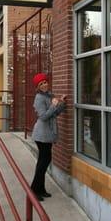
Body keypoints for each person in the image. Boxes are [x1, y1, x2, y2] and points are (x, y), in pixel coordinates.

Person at [30, 73, 66, 201]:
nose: (45, 85)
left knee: (44, 162)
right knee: (43, 163)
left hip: (47, 134)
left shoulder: (49, 95)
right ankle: (34, 190)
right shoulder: (39, 98)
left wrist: (61, 103)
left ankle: (40, 189)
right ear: (38, 87)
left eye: (45, 82)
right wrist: (53, 105)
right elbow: (44, 116)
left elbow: (54, 114)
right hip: (41, 134)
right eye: (41, 84)